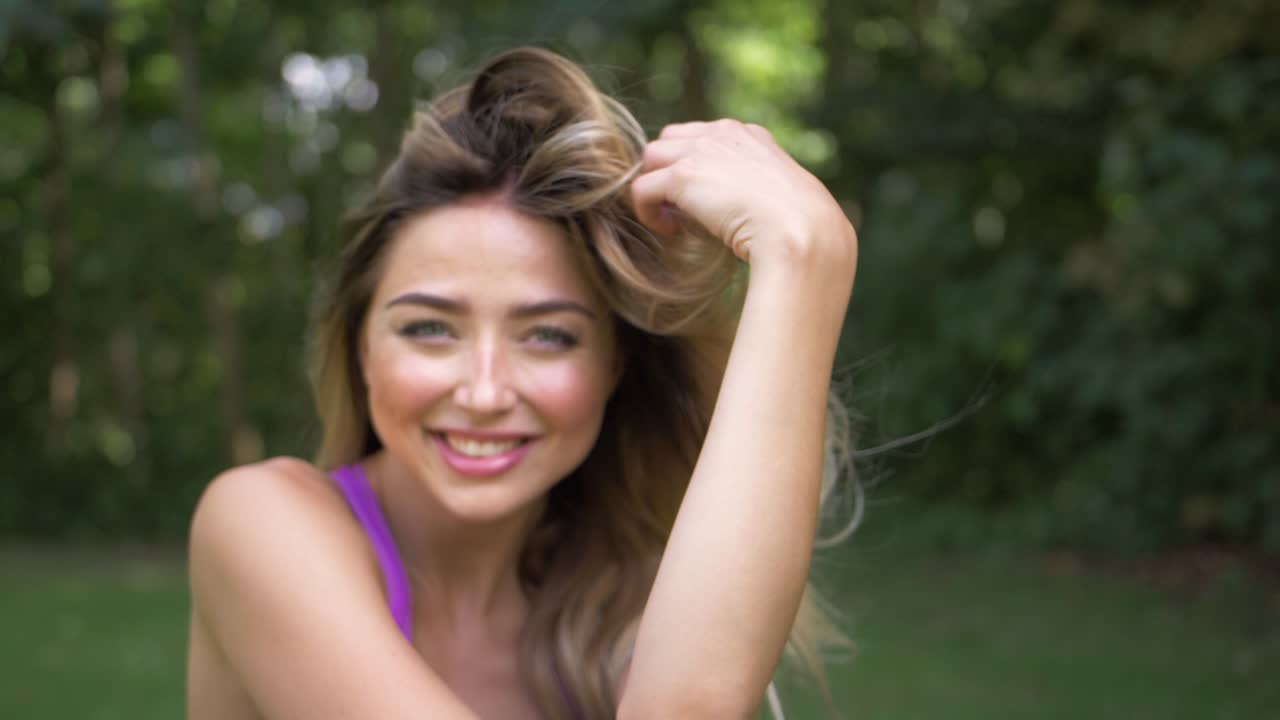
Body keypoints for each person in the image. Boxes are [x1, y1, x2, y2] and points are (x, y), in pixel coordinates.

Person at [186, 46, 859, 719]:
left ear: (613, 367)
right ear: (361, 346)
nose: (483, 394)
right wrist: (805, 262)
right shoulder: (258, 522)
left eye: (548, 336)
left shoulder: (616, 612)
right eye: (429, 329)